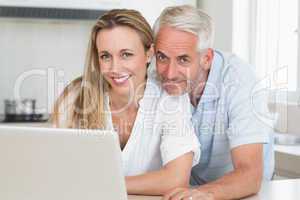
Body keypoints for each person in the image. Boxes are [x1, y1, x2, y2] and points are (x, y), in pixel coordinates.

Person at [51, 9, 200, 196]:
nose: (115, 68)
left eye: (126, 54)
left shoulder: (170, 100)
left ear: (149, 54)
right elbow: (56, 169)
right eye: (105, 56)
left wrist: (103, 184)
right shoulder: (75, 97)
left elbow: (176, 179)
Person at [152, 5, 274, 200]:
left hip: (245, 193)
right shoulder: (153, 78)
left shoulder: (239, 80)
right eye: (162, 57)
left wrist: (200, 194)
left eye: (183, 60)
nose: (169, 73)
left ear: (206, 59)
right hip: (189, 190)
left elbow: (250, 175)